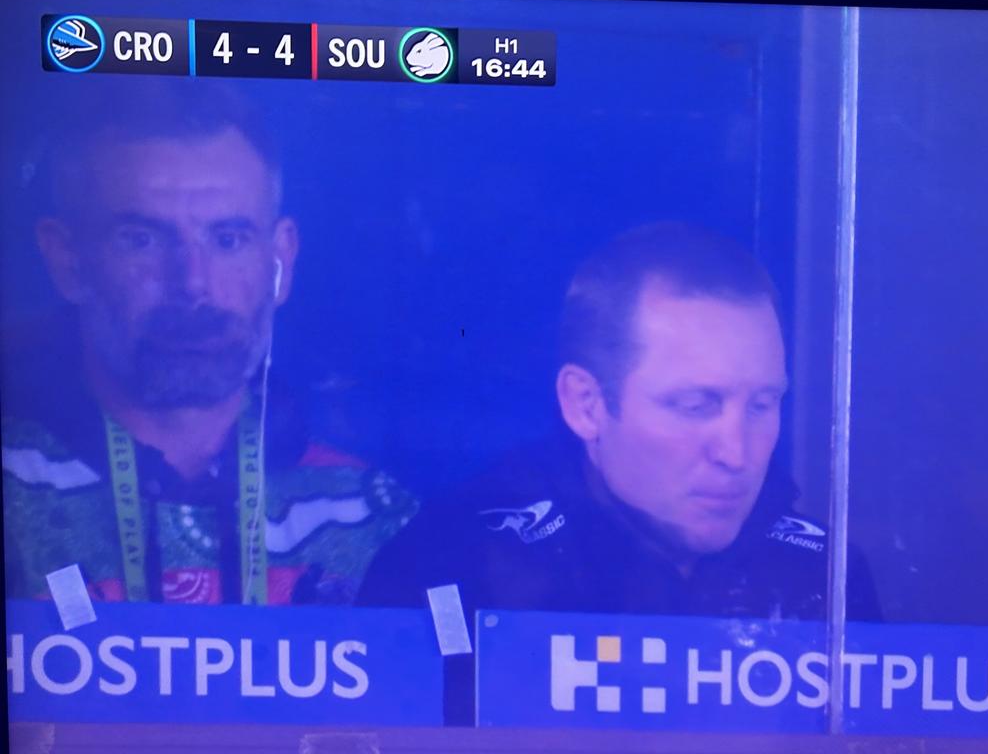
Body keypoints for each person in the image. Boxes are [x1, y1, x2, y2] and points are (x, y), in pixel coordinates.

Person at [357, 222, 880, 720]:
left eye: (763, 405)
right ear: (585, 404)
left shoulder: (821, 573)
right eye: (696, 405)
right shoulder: (464, 564)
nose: (736, 453)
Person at [2, 80, 416, 606]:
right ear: (67, 260)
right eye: (142, 239)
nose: (193, 283)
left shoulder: (378, 519)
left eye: (228, 240)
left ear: (281, 260)